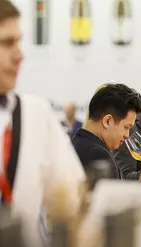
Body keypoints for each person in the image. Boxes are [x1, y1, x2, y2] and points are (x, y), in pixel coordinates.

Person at [0, 1, 85, 246]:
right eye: (7, 43)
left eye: (19, 41)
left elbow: (72, 201)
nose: (20, 55)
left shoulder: (36, 115)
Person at [72, 83, 141, 179]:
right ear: (107, 121)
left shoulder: (76, 143)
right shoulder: (98, 155)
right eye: (126, 127)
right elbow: (112, 194)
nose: (127, 135)